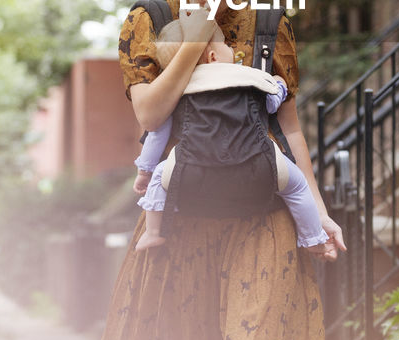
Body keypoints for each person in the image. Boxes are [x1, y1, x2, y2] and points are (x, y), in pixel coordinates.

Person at [91, 0, 345, 340]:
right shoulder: (151, 20)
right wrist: (195, 37)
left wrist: (318, 210)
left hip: (262, 215)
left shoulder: (271, 27)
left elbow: (290, 129)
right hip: (182, 214)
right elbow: (150, 113)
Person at [131, 18, 329, 254]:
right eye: (225, 44)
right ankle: (314, 238)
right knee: (297, 187)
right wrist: (279, 83)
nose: (232, 49)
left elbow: (157, 134)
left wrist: (145, 171)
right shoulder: (251, 77)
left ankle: (153, 233)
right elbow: (273, 103)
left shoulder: (176, 92)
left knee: (159, 179)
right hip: (258, 164)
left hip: (192, 168)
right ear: (213, 57)